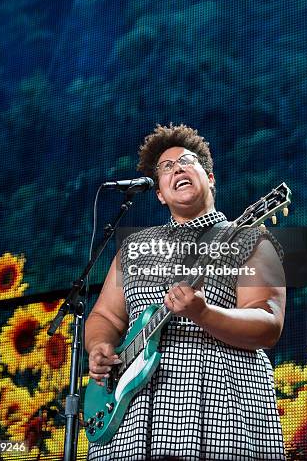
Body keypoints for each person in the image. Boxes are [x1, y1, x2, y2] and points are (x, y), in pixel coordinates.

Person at [86, 124, 286, 460]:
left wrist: (204, 314)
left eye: (187, 161)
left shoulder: (249, 238)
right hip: (128, 420)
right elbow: (104, 315)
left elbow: (269, 321)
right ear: (160, 193)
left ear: (210, 178)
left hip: (221, 409)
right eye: (166, 167)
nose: (177, 167)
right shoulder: (134, 247)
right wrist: (99, 346)